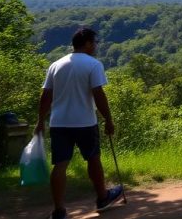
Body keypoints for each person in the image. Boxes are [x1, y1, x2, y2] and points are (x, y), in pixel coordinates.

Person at [35, 27, 123, 219]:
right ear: (89, 44)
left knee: (60, 165)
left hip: (59, 123)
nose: (97, 46)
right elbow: (99, 95)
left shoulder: (56, 65)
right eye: (95, 43)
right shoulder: (93, 65)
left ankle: (59, 210)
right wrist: (108, 119)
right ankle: (102, 198)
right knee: (93, 159)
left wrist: (40, 121)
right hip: (84, 122)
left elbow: (46, 97)